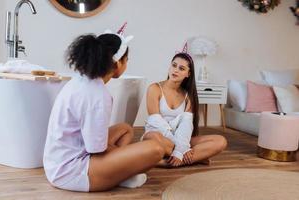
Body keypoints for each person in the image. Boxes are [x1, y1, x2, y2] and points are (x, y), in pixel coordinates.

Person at [43, 27, 165, 192]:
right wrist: (130, 157)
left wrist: (124, 156)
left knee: (125, 129)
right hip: (72, 173)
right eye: (127, 59)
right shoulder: (97, 94)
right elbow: (96, 149)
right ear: (117, 63)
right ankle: (121, 174)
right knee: (156, 149)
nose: (127, 63)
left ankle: (118, 174)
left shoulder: (82, 81)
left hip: (58, 163)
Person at [142, 49, 227, 167]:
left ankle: (167, 162)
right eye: (174, 65)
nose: (175, 70)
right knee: (154, 137)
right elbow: (155, 122)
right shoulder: (154, 88)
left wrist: (180, 148)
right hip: (159, 135)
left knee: (220, 141)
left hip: (181, 138)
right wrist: (181, 148)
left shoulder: (188, 96)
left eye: (181, 68)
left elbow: (186, 126)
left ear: (188, 74)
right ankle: (191, 158)